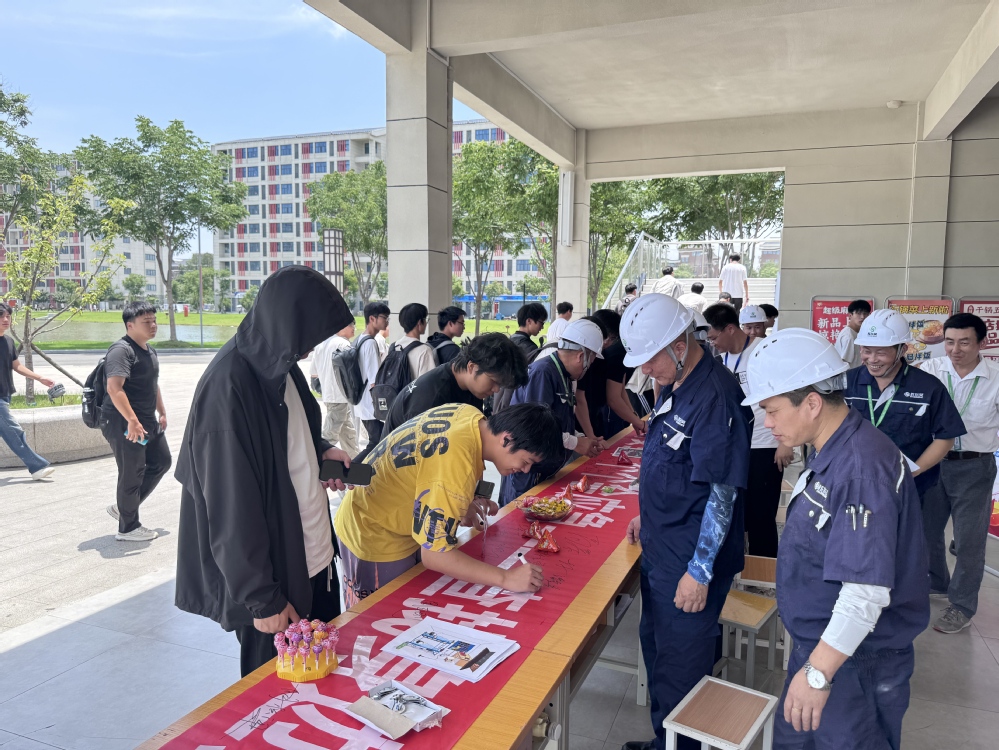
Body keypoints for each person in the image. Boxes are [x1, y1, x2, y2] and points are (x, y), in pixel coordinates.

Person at [740, 328, 929, 750]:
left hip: (853, 659)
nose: (767, 423)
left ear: (811, 403)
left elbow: (865, 591)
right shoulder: (834, 447)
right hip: (823, 647)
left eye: (771, 410)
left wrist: (818, 674)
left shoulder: (861, 469)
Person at [174, 266, 354, 677]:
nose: (312, 346)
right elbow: (229, 507)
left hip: (314, 558)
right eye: (309, 334)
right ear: (287, 323)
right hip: (277, 581)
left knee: (325, 677)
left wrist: (322, 452)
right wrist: (262, 598)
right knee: (279, 694)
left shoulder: (281, 365)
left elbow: (290, 435)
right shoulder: (228, 385)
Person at [619, 293, 752, 750]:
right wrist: (648, 514)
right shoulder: (677, 382)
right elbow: (672, 461)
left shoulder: (714, 396)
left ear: (680, 345)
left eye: (650, 359)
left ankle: (681, 746)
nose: (645, 369)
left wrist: (699, 571)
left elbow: (722, 491)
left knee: (681, 668)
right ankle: (665, 741)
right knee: (658, 652)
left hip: (691, 558)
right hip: (664, 544)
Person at [334, 403, 563, 606]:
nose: (525, 470)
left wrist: (464, 502)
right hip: (373, 532)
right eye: (526, 461)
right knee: (382, 615)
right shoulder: (456, 463)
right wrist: (506, 578)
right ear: (506, 438)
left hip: (386, 513)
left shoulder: (470, 416)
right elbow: (435, 555)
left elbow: (430, 470)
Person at [919, 313, 999, 634]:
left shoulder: (995, 378)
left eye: (964, 342)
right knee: (926, 531)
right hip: (933, 463)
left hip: (974, 467)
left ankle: (962, 605)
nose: (955, 350)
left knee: (969, 541)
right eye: (949, 342)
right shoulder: (930, 371)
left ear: (982, 343)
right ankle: (936, 581)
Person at [843, 308, 965, 503]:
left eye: (881, 352)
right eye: (866, 350)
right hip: (853, 482)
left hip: (912, 489)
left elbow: (946, 436)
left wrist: (912, 472)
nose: (872, 359)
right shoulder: (846, 383)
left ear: (902, 350)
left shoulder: (928, 387)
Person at [704, 303, 792, 557]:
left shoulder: (765, 351)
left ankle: (764, 572)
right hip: (732, 447)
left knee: (762, 516)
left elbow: (789, 393)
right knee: (734, 512)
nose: (712, 343)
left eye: (714, 337)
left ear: (730, 329)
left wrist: (786, 442)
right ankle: (740, 566)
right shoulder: (720, 359)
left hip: (764, 444)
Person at [499, 319, 606, 506]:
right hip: (527, 472)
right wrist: (576, 443)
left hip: (546, 470)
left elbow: (559, 421)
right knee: (518, 517)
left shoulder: (563, 375)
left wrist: (580, 438)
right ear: (581, 356)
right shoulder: (542, 373)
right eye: (590, 362)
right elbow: (536, 430)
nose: (587, 370)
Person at [101, 302, 171, 542]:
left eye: (154, 320)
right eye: (146, 322)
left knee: (161, 461)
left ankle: (124, 507)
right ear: (130, 325)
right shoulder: (121, 351)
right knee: (133, 472)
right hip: (123, 422)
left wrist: (161, 410)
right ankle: (128, 528)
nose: (153, 325)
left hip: (145, 420)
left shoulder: (149, 350)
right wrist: (131, 420)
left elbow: (153, 383)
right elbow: (114, 388)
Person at [381, 333, 528, 436]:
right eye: (494, 381)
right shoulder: (432, 398)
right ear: (472, 367)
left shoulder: (471, 388)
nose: (496, 389)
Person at [0, 302, 56, 480]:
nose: (6, 320)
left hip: (5, 395)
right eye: (1, 316)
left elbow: (17, 366)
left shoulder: (8, 341)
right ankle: (37, 466)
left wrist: (39, 378)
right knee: (14, 431)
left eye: (8, 316)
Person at [578, 309, 647, 439]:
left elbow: (621, 389)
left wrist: (634, 417)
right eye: (611, 338)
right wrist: (639, 423)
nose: (608, 343)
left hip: (595, 411)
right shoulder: (614, 353)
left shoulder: (612, 351)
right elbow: (612, 399)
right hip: (584, 418)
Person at [310, 319, 359, 457]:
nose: (354, 328)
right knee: (330, 433)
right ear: (341, 326)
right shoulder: (343, 344)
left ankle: (355, 458)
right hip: (340, 394)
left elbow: (314, 373)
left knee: (347, 430)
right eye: (351, 325)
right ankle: (319, 457)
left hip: (329, 394)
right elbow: (352, 371)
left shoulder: (321, 345)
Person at [354, 301, 390, 461]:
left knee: (378, 443)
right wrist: (383, 408)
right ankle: (349, 469)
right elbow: (375, 381)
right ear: (372, 319)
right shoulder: (370, 343)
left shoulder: (360, 339)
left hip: (362, 401)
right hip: (370, 404)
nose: (387, 321)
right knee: (377, 444)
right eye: (384, 317)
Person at [392, 303, 437, 379]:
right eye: (425, 320)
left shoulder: (393, 347)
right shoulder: (424, 350)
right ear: (419, 323)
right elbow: (428, 382)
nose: (426, 323)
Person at [834, 299, 872, 368]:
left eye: (865, 313)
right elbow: (844, 363)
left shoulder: (857, 333)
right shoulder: (849, 336)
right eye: (858, 313)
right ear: (850, 315)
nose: (862, 317)